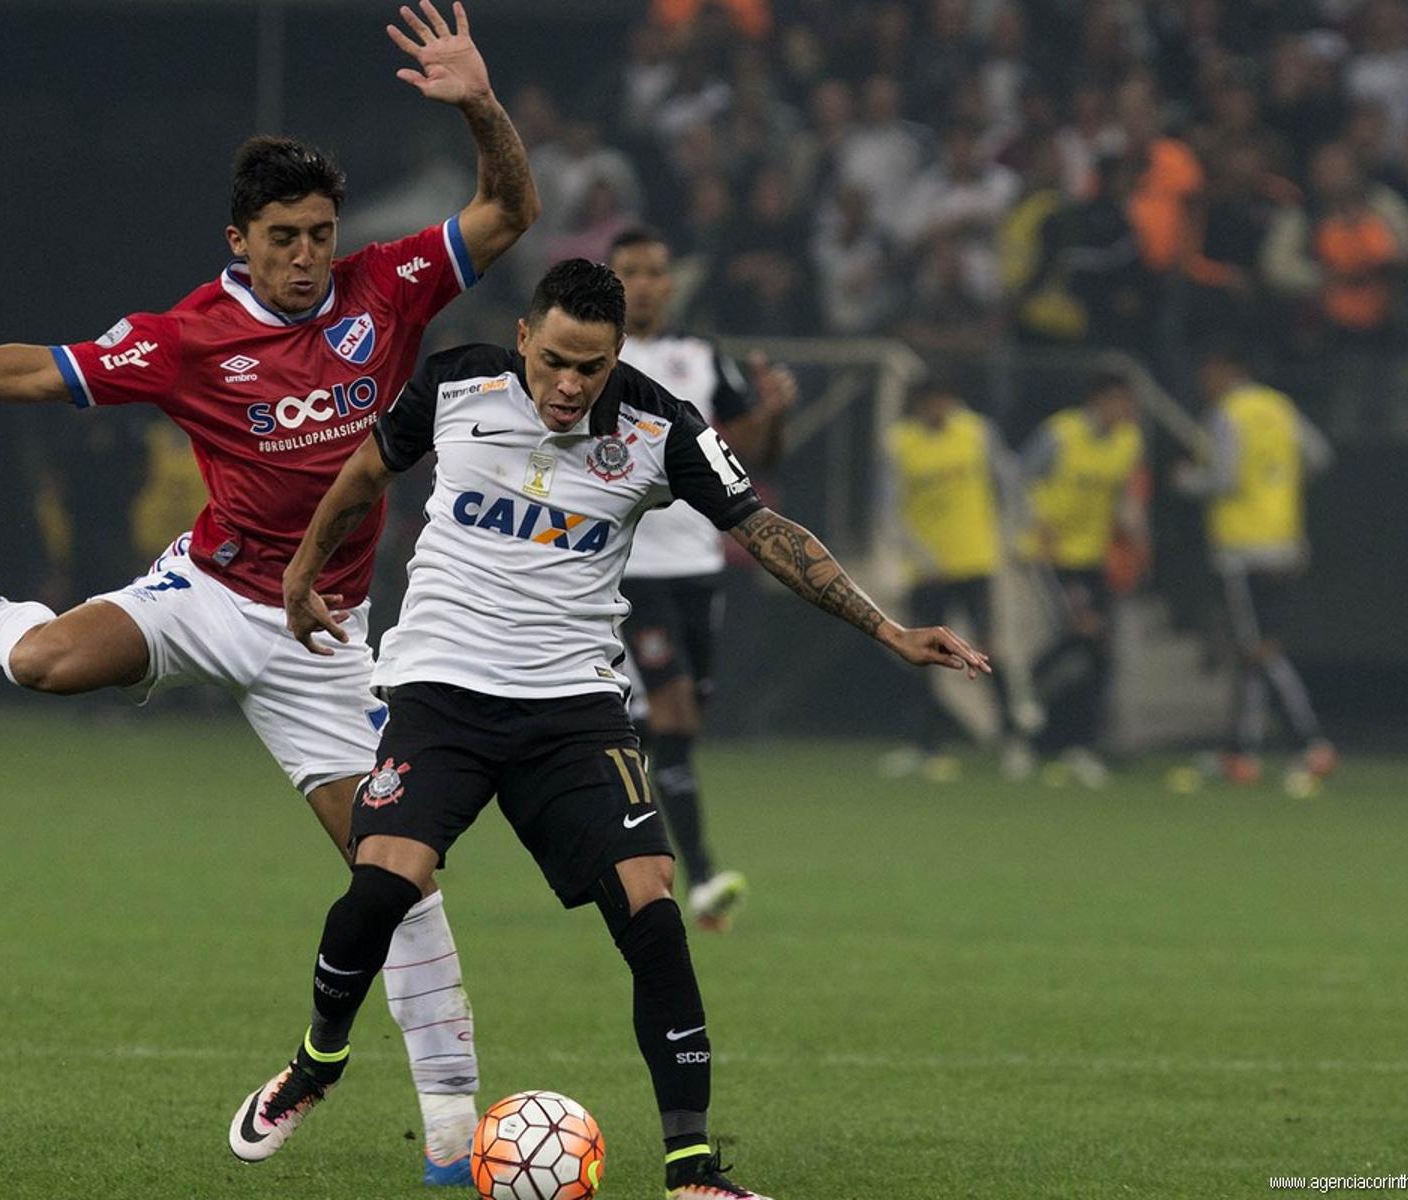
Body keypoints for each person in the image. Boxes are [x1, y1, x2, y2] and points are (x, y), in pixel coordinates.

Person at [0, 3, 537, 1183]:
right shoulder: (189, 337)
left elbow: (509, 211)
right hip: (208, 592)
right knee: (41, 666)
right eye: (283, 235)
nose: (305, 255)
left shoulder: (385, 291)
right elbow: (40, 371)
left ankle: (448, 1144)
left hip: (324, 640)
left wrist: (480, 104)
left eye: (320, 233)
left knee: (399, 875)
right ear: (239, 240)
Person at [226, 260, 989, 1200]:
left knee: (653, 909)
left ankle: (692, 1169)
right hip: (441, 692)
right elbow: (362, 472)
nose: (569, 386)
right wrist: (302, 572)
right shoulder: (454, 381)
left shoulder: (662, 425)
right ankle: (317, 1062)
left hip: (573, 713)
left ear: (617, 354)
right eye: (552, 362)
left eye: (590, 367)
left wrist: (888, 629)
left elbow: (764, 529)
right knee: (385, 882)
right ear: (522, 338)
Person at [606, 225, 796, 930]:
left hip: (699, 567)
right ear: (611, 277)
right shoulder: (593, 356)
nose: (648, 283)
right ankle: (702, 875)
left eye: (657, 270)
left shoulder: (699, 357)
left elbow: (755, 458)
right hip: (628, 571)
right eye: (632, 270)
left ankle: (611, 824)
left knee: (670, 727)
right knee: (676, 712)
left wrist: (774, 413)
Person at [1176, 346, 1337, 786]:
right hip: (1284, 542)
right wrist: (1278, 486)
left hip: (1241, 548)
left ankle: (1313, 743)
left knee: (1258, 650)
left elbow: (1224, 478)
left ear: (1226, 370)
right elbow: (1320, 456)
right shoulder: (1279, 406)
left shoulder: (1227, 413)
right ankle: (1241, 753)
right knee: (1254, 652)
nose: (1203, 383)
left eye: (1207, 372)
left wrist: (1187, 480)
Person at [877, 379, 1032, 781]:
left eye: (946, 400)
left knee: (987, 651)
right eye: (932, 402)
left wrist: (1014, 533)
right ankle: (925, 746)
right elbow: (890, 508)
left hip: (975, 561)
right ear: (919, 405)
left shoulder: (977, 433)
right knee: (921, 656)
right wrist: (921, 555)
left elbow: (1009, 482)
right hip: (927, 571)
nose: (940, 409)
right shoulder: (899, 444)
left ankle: (1014, 740)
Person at [1018, 373, 1147, 787]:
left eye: (1127, 404)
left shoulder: (1129, 441)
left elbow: (1124, 495)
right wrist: (1036, 523)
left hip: (1093, 556)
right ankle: (1033, 718)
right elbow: (1018, 480)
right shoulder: (1060, 434)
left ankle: (1066, 738)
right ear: (1096, 402)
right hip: (1053, 556)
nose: (1123, 412)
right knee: (1088, 633)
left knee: (1095, 651)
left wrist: (1136, 533)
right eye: (1116, 402)